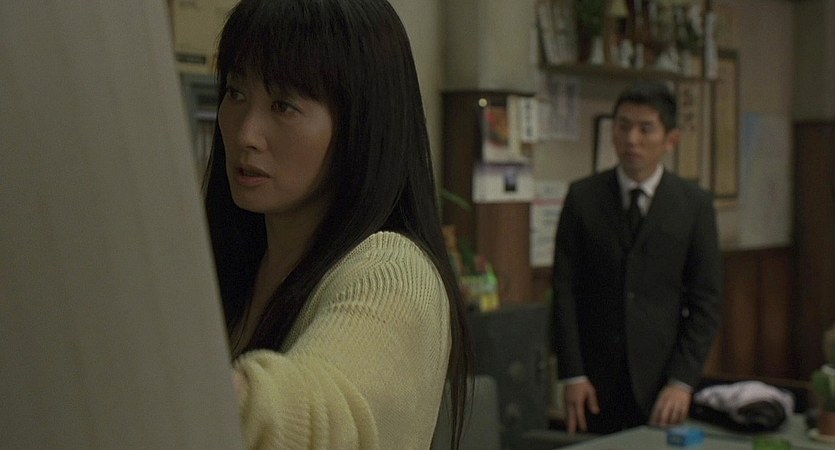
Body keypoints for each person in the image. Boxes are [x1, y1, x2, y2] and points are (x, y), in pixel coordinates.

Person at [202, 0, 472, 448]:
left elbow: (322, 416)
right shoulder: (241, 258)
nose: (246, 134)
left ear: (361, 124)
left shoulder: (393, 271)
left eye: (283, 105)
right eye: (236, 93)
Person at [550, 80, 722, 435]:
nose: (632, 139)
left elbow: (706, 302)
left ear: (671, 139)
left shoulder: (694, 205)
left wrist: (682, 381)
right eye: (623, 126)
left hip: (662, 379)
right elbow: (564, 290)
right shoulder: (583, 197)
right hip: (594, 382)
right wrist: (573, 373)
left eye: (645, 129)